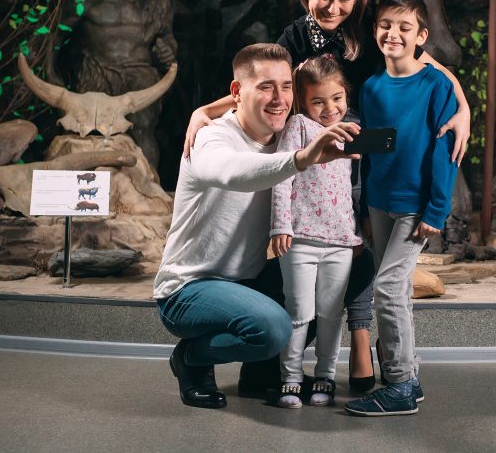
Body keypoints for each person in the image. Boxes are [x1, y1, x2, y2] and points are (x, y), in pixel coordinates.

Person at [182, 0, 470, 392]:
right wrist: (209, 107)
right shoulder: (294, 37)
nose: (334, 7)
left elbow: (426, 63)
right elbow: (265, 83)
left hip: (361, 166)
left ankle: (359, 346)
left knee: (356, 258)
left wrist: (464, 106)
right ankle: (275, 365)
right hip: (309, 167)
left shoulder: (371, 32)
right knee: (299, 281)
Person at [153, 43, 359, 409]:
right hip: (190, 288)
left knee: (358, 265)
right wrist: (300, 159)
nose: (278, 98)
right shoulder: (210, 137)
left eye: (286, 86)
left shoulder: (289, 134)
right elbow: (234, 172)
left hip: (249, 280)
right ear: (236, 93)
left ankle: (264, 374)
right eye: (266, 86)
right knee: (273, 327)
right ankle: (191, 358)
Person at [344, 0, 458, 417]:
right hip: (379, 204)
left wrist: (436, 210)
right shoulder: (371, 87)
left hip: (415, 206)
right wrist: (364, 212)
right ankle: (410, 376)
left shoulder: (436, 85)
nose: (393, 34)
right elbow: (372, 152)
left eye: (404, 27)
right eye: (385, 25)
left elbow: (446, 152)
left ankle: (399, 384)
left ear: (421, 35)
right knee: (397, 294)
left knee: (389, 289)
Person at [270, 56, 360, 408]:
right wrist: (280, 225)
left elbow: (351, 188)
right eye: (318, 101)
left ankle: (325, 377)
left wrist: (355, 233)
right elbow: (281, 176)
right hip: (301, 239)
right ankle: (290, 378)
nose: (329, 108)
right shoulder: (299, 127)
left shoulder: (352, 130)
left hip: (340, 241)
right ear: (305, 102)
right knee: (298, 313)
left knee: (330, 312)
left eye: (337, 98)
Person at [53, 0, 177, 169]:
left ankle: (149, 189)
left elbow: (167, 37)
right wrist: (53, 78)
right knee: (90, 132)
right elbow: (54, 39)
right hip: (96, 74)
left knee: (142, 129)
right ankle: (87, 193)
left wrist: (168, 50)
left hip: (139, 75)